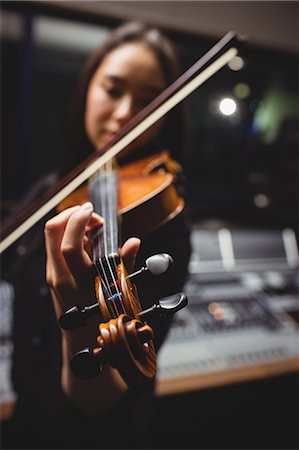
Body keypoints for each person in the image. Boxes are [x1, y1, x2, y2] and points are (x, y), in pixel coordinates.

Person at [1, 21, 191, 449]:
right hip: (23, 418)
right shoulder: (53, 188)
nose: (125, 113)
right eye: (113, 89)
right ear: (88, 88)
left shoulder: (166, 225)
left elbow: (98, 401)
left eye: (148, 102)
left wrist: (77, 317)